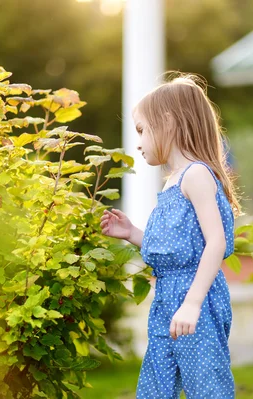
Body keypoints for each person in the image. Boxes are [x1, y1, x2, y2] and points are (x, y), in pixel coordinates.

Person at [100, 73, 241, 399]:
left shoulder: (197, 175)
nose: (138, 141)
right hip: (167, 298)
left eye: (141, 130)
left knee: (206, 387)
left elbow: (215, 243)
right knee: (155, 386)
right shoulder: (174, 180)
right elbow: (177, 247)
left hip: (197, 298)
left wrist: (192, 304)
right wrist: (133, 233)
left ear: (168, 122)